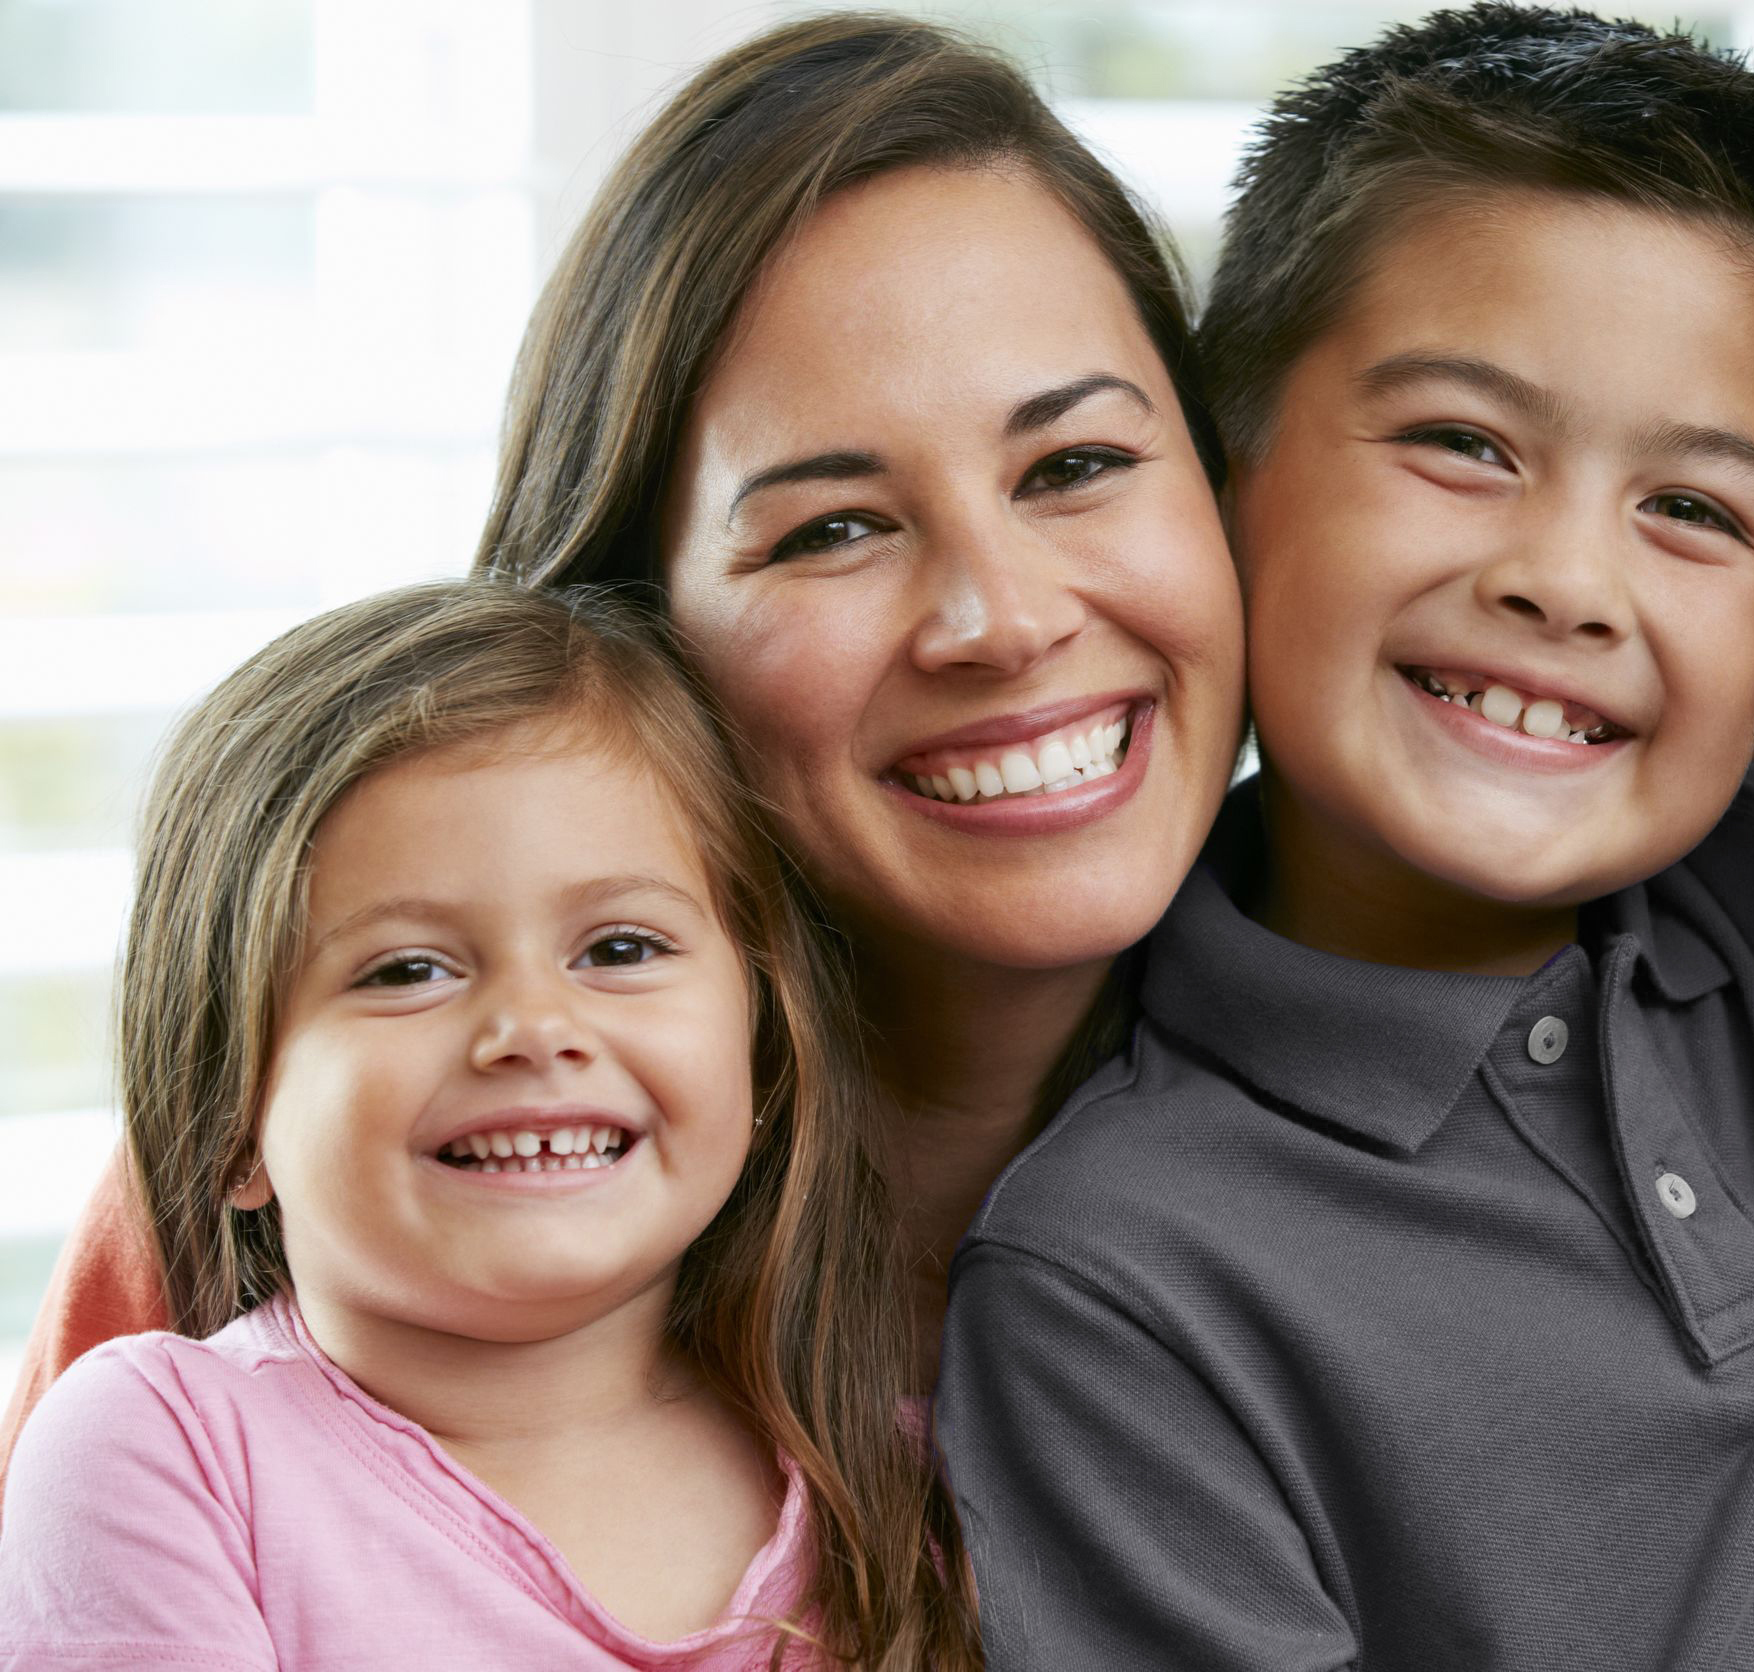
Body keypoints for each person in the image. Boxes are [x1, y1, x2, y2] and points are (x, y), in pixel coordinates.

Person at [1, 8, 1245, 1479]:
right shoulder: (342, 1170)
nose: (1003, 618)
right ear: (628, 631)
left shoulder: (1470, 1113)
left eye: (1077, 464)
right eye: (831, 528)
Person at [935, 10, 1754, 1667]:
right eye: (1461, 442)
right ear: (1221, 471)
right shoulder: (1109, 1283)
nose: (1566, 584)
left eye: (1694, 510)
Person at [0, 582, 977, 1669]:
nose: (532, 1027)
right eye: (408, 970)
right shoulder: (164, 1448)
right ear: (229, 1120)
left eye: (619, 948)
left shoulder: (905, 1492)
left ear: (760, 1036)